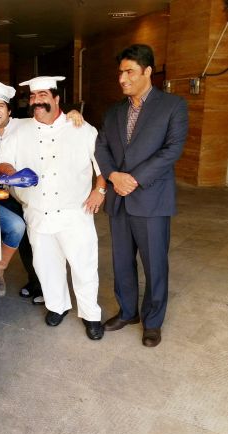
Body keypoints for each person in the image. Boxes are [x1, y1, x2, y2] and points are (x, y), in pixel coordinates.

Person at [0, 75, 107, 340]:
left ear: (56, 99)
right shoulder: (20, 130)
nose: (37, 102)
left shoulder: (81, 128)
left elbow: (103, 164)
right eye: (33, 97)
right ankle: (58, 306)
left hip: (75, 213)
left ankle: (91, 314)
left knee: (84, 266)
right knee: (46, 266)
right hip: (37, 212)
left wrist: (99, 190)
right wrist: (12, 171)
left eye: (43, 96)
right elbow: (2, 161)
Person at [95, 44, 188, 347]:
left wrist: (134, 179)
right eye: (120, 72)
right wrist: (112, 175)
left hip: (151, 198)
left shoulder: (172, 105)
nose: (122, 78)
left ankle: (153, 320)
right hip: (119, 200)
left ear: (148, 72)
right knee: (122, 261)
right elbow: (102, 148)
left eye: (129, 72)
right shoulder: (113, 112)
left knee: (154, 264)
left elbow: (172, 149)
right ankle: (127, 312)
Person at [0, 81, 85, 304]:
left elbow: (52, 119)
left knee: (31, 241)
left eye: (1, 107)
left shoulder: (25, 124)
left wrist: (72, 113)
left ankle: (37, 284)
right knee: (17, 231)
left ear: (10, 110)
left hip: (22, 192)